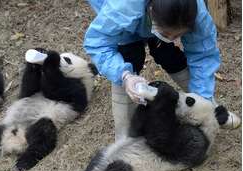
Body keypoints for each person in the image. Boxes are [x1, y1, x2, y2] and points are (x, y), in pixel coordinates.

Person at [84, 0, 241, 140]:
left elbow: (203, 55)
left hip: (159, 15)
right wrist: (125, 76)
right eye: (167, 33)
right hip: (121, 9)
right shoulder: (123, 6)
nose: (172, 37)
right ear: (151, 11)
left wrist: (203, 99)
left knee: (165, 50)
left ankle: (209, 108)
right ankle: (124, 137)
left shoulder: (198, 14)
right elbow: (98, 42)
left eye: (178, 35)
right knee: (130, 54)